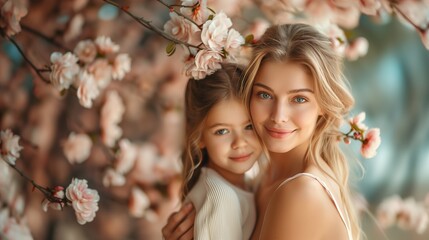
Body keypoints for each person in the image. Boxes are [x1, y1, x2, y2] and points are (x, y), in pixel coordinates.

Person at [162, 23, 361, 240]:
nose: (278, 115)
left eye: (299, 99)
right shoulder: (257, 180)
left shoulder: (301, 192)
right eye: (265, 95)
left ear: (323, 104)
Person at [178, 63, 262, 240]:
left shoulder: (248, 183)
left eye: (249, 126)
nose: (239, 143)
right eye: (222, 131)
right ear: (199, 137)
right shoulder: (221, 198)